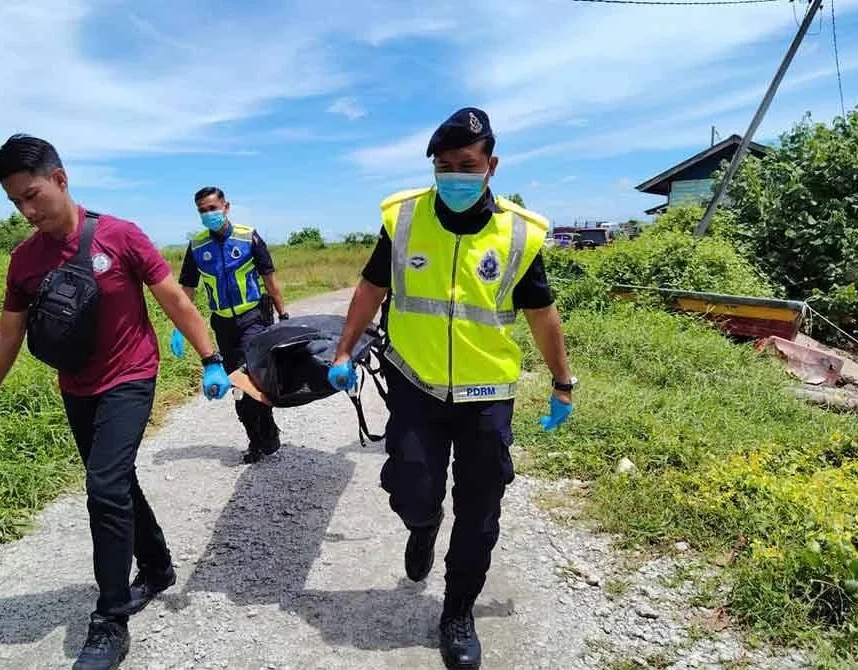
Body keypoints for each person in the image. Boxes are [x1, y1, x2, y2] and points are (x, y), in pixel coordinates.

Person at [0, 134, 233, 670]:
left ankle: (109, 620)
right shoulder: (24, 260)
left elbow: (172, 295)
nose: (27, 210)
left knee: (103, 487)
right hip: (76, 385)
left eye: (32, 195)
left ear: (60, 180)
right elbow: (7, 334)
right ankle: (155, 566)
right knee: (117, 481)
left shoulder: (119, 235)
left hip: (131, 375)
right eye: (15, 202)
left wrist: (210, 356)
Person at [327, 108, 576, 670]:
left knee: (481, 508)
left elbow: (542, 315)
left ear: (491, 165)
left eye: (467, 165)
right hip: (416, 383)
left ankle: (457, 611)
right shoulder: (405, 218)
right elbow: (371, 287)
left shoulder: (519, 231)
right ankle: (422, 524)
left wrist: (562, 382)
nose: (455, 175)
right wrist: (343, 349)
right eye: (444, 166)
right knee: (411, 486)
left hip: (487, 392)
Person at [170, 186, 289, 464]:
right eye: (202, 210)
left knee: (251, 377)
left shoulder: (248, 237)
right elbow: (187, 288)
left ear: (226, 207)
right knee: (237, 386)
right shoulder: (197, 246)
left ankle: (266, 429)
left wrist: (283, 315)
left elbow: (269, 279)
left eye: (212, 208)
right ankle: (255, 438)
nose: (208, 214)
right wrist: (179, 326)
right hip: (223, 323)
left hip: (254, 318)